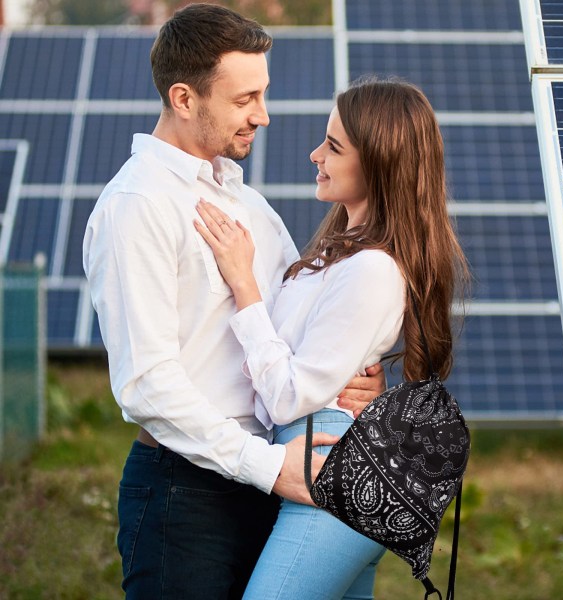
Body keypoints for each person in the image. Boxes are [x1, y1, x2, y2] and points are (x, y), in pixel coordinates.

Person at [82, 4, 385, 599]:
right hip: (186, 496)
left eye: (263, 95)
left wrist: (352, 376)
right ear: (185, 99)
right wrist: (271, 468)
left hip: (272, 480)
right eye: (244, 99)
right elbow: (146, 384)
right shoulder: (136, 207)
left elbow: (296, 332)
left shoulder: (253, 210)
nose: (263, 116)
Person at [194, 77, 470, 599]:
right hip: (319, 453)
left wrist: (244, 283)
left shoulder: (372, 269)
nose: (315, 154)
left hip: (329, 463)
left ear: (380, 164)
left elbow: (287, 397)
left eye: (335, 146)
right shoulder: (337, 256)